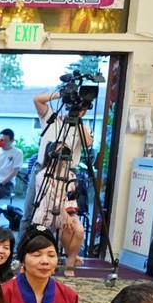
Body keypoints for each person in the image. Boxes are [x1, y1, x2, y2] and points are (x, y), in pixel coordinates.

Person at [23, 89, 93, 226]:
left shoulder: (83, 128)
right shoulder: (51, 118)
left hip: (67, 172)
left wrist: (77, 119)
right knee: (30, 212)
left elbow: (88, 143)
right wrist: (63, 94)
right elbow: (37, 99)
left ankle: (54, 239)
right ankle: (26, 239)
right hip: (43, 168)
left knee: (64, 215)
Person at [30, 144, 85, 277]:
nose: (64, 156)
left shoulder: (71, 175)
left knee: (79, 230)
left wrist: (71, 214)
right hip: (47, 212)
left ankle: (70, 260)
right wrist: (65, 215)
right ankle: (71, 258)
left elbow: (71, 198)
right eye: (60, 151)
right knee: (67, 226)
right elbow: (50, 199)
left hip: (67, 210)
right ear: (51, 154)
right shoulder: (43, 175)